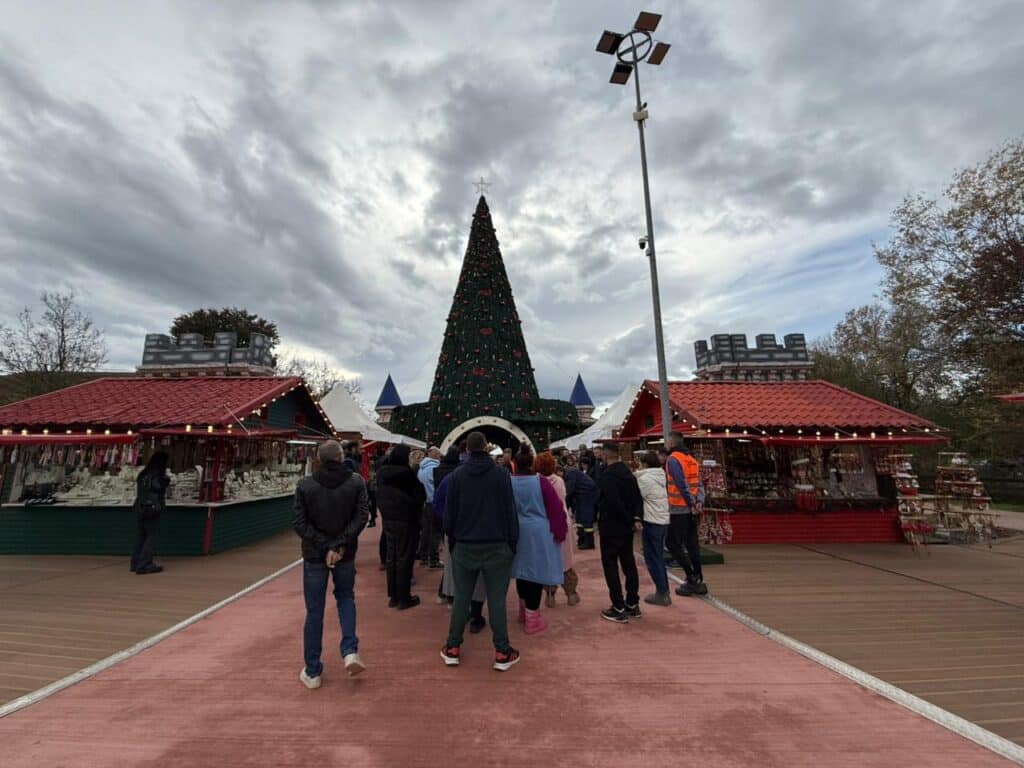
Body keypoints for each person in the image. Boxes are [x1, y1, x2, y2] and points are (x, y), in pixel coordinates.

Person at [440, 431, 521, 671]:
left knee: (461, 599)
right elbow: (510, 511)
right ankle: (502, 651)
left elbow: (449, 515)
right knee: (496, 600)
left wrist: (453, 542)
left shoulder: (456, 477)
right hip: (497, 546)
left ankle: (453, 647)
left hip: (465, 546)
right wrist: (511, 543)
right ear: (486, 447)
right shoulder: (501, 475)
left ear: (466, 449)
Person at [292, 440, 369, 689]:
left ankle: (313, 670)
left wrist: (325, 545)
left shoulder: (305, 485)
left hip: (315, 554)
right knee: (346, 597)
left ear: (319, 458)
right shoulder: (356, 482)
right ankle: (349, 649)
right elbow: (362, 516)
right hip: (344, 553)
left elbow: (299, 523)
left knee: (314, 610)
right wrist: (339, 545)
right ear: (340, 455)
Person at [510, 448, 567, 635]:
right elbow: (556, 508)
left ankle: (523, 609)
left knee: (521, 572)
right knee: (535, 575)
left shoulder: (509, 482)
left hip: (517, 531)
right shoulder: (540, 482)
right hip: (539, 533)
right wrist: (560, 532)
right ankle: (532, 618)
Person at [595, 443, 643, 623]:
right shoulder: (628, 473)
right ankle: (632, 602)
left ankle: (618, 605)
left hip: (611, 526)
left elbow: (612, 501)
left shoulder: (607, 476)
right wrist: (635, 518)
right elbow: (638, 497)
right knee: (629, 563)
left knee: (610, 565)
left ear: (606, 456)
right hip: (626, 528)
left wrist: (627, 518)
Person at [376, 444, 426, 609]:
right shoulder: (407, 474)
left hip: (389, 520)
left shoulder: (382, 473)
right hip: (407, 521)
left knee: (392, 557)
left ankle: (394, 596)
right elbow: (419, 495)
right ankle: (404, 597)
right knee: (405, 558)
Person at [665, 432, 708, 596]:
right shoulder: (691, 460)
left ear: (672, 442)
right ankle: (698, 577)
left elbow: (680, 483)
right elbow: (699, 483)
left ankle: (691, 577)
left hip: (679, 508)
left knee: (672, 543)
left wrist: (691, 502)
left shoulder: (673, 459)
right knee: (692, 544)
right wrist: (698, 503)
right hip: (692, 508)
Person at [535, 451, 580, 607]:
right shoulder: (559, 481)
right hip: (562, 523)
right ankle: (571, 594)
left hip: (545, 525)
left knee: (548, 562)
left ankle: (550, 595)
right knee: (565, 561)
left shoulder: (536, 482)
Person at [636, 451, 672, 606]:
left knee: (652, 557)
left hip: (651, 520)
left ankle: (662, 592)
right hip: (662, 518)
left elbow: (637, 495)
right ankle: (664, 591)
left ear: (644, 464)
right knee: (658, 556)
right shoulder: (660, 475)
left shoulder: (645, 479)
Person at [130, 450, 170, 575]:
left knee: (140, 535)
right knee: (151, 536)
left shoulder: (143, 474)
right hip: (152, 507)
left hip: (140, 506)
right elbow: (157, 488)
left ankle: (135, 562)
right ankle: (145, 564)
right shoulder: (157, 475)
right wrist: (166, 481)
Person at [416, 447, 444, 569]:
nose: (439, 456)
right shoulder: (434, 469)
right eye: (438, 454)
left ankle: (423, 556)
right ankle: (433, 559)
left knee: (425, 531)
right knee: (435, 532)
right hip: (434, 502)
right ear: (434, 455)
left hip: (424, 503)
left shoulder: (421, 469)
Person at [564, 462, 598, 549]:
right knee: (579, 518)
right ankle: (582, 539)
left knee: (586, 517)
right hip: (581, 495)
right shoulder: (570, 473)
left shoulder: (570, 473)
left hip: (587, 494)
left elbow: (569, 492)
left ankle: (589, 542)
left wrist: (565, 507)